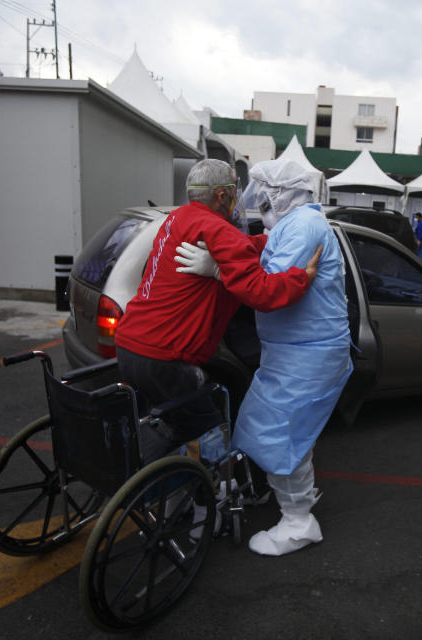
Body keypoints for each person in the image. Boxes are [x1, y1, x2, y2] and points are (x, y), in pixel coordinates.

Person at [178, 158, 351, 556]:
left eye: (264, 193)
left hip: (309, 353)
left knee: (282, 433)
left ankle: (298, 521)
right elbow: (262, 252)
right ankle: (291, 503)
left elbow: (270, 286)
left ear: (282, 194)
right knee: (267, 426)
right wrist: (226, 259)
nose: (257, 201)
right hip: (293, 351)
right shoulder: (293, 224)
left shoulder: (305, 226)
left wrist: (220, 270)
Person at [114, 158, 321, 463]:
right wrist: (302, 278)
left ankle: (168, 487)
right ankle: (201, 499)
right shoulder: (216, 228)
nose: (239, 197)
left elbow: (238, 246)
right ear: (222, 195)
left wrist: (273, 239)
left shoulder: (178, 218)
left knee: (171, 422)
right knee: (206, 431)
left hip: (130, 346)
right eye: (235, 190)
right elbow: (261, 291)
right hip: (164, 357)